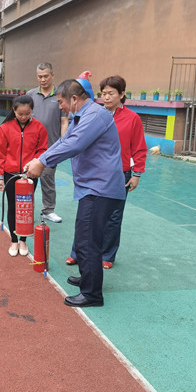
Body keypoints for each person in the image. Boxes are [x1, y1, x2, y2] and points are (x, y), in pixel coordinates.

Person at [25, 78, 126, 307]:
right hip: (92, 187)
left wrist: (42, 163)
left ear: (73, 98)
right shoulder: (79, 117)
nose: (59, 106)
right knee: (83, 238)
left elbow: (75, 145)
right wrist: (40, 159)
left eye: (61, 101)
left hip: (101, 188)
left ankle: (92, 294)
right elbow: (65, 141)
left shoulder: (95, 116)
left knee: (89, 240)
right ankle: (87, 278)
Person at [66, 75, 147, 269]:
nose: (107, 97)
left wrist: (137, 174)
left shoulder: (132, 118)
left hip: (120, 174)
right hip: (95, 173)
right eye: (103, 94)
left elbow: (139, 147)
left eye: (111, 93)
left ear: (122, 94)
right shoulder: (94, 114)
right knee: (85, 215)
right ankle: (77, 252)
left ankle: (107, 254)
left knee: (113, 216)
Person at [0, 95, 48, 257]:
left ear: (32, 111)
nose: (24, 117)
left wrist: (34, 162)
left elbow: (43, 150)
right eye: (20, 114)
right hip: (10, 174)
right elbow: (0, 153)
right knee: (13, 207)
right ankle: (14, 239)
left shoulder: (39, 128)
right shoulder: (5, 128)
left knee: (25, 208)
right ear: (14, 111)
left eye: (28, 113)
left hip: (29, 175)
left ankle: (23, 240)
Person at [26, 62, 69, 223]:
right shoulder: (30, 95)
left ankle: (48, 210)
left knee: (48, 179)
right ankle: (26, 208)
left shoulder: (60, 96)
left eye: (45, 76)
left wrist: (63, 143)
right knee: (27, 178)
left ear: (52, 75)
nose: (42, 80)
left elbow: (64, 121)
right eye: (39, 76)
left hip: (51, 146)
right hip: (30, 147)